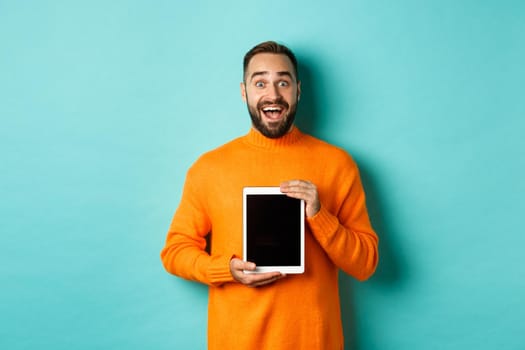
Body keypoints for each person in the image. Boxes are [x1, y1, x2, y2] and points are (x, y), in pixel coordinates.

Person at [161, 40, 379, 350]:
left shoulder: (337, 164)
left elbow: (366, 263)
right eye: (260, 82)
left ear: (298, 90)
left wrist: (320, 216)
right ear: (244, 91)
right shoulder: (209, 168)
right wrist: (227, 269)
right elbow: (175, 251)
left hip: (313, 342)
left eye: (283, 82)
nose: (273, 94)